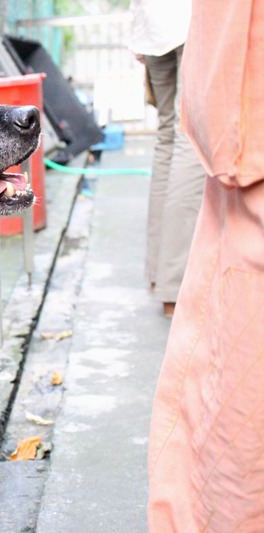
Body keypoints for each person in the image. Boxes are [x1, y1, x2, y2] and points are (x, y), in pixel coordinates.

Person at [148, 0, 264, 530]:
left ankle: (162, 276)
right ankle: (166, 280)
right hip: (189, 39)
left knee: (170, 142)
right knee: (186, 147)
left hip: (165, 33)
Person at [129, 0, 205, 317]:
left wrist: (137, 30)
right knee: (190, 135)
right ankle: (176, 284)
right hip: (193, 21)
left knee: (169, 136)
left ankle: (160, 274)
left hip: (154, 24)